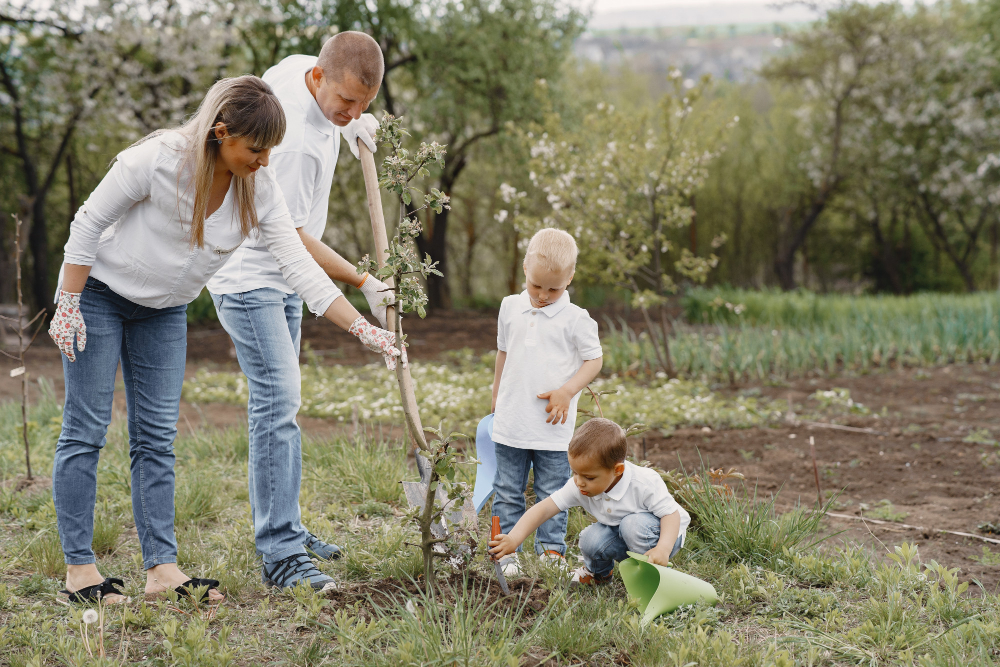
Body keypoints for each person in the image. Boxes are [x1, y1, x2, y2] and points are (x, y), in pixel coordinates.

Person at [49, 75, 401, 605]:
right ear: (220, 133)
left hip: (164, 312)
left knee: (155, 440)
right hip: (100, 294)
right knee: (87, 429)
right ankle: (80, 571)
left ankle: (161, 570)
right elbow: (89, 220)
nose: (263, 162)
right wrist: (68, 300)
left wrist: (362, 328)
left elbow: (298, 268)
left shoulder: (258, 186)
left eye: (269, 152)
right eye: (255, 150)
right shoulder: (156, 160)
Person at [206, 32, 391, 592]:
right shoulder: (291, 143)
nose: (352, 113)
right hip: (252, 277)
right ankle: (281, 552)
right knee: (278, 402)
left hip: (283, 280)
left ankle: (285, 524)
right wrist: (362, 282)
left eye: (363, 104)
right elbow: (295, 240)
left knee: (280, 404)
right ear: (317, 78)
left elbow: (324, 84)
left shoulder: (299, 72)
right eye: (345, 102)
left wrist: (350, 121)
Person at [489, 228, 603, 577]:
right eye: (536, 285)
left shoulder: (576, 319)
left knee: (552, 492)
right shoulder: (510, 307)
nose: (542, 295)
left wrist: (567, 392)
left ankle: (550, 552)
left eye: (554, 288)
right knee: (507, 491)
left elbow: (594, 360)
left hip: (552, 430)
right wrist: (496, 396)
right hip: (511, 424)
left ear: (570, 277)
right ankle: (505, 552)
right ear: (525, 268)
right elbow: (503, 353)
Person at [489, 418, 690, 586]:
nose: (579, 482)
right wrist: (514, 539)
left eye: (589, 477)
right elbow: (543, 510)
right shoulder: (579, 484)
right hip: (622, 534)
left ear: (617, 470)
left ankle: (650, 574)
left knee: (632, 525)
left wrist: (662, 549)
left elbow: (670, 515)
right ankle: (599, 575)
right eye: (574, 472)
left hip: (663, 536)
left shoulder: (643, 482)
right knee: (590, 538)